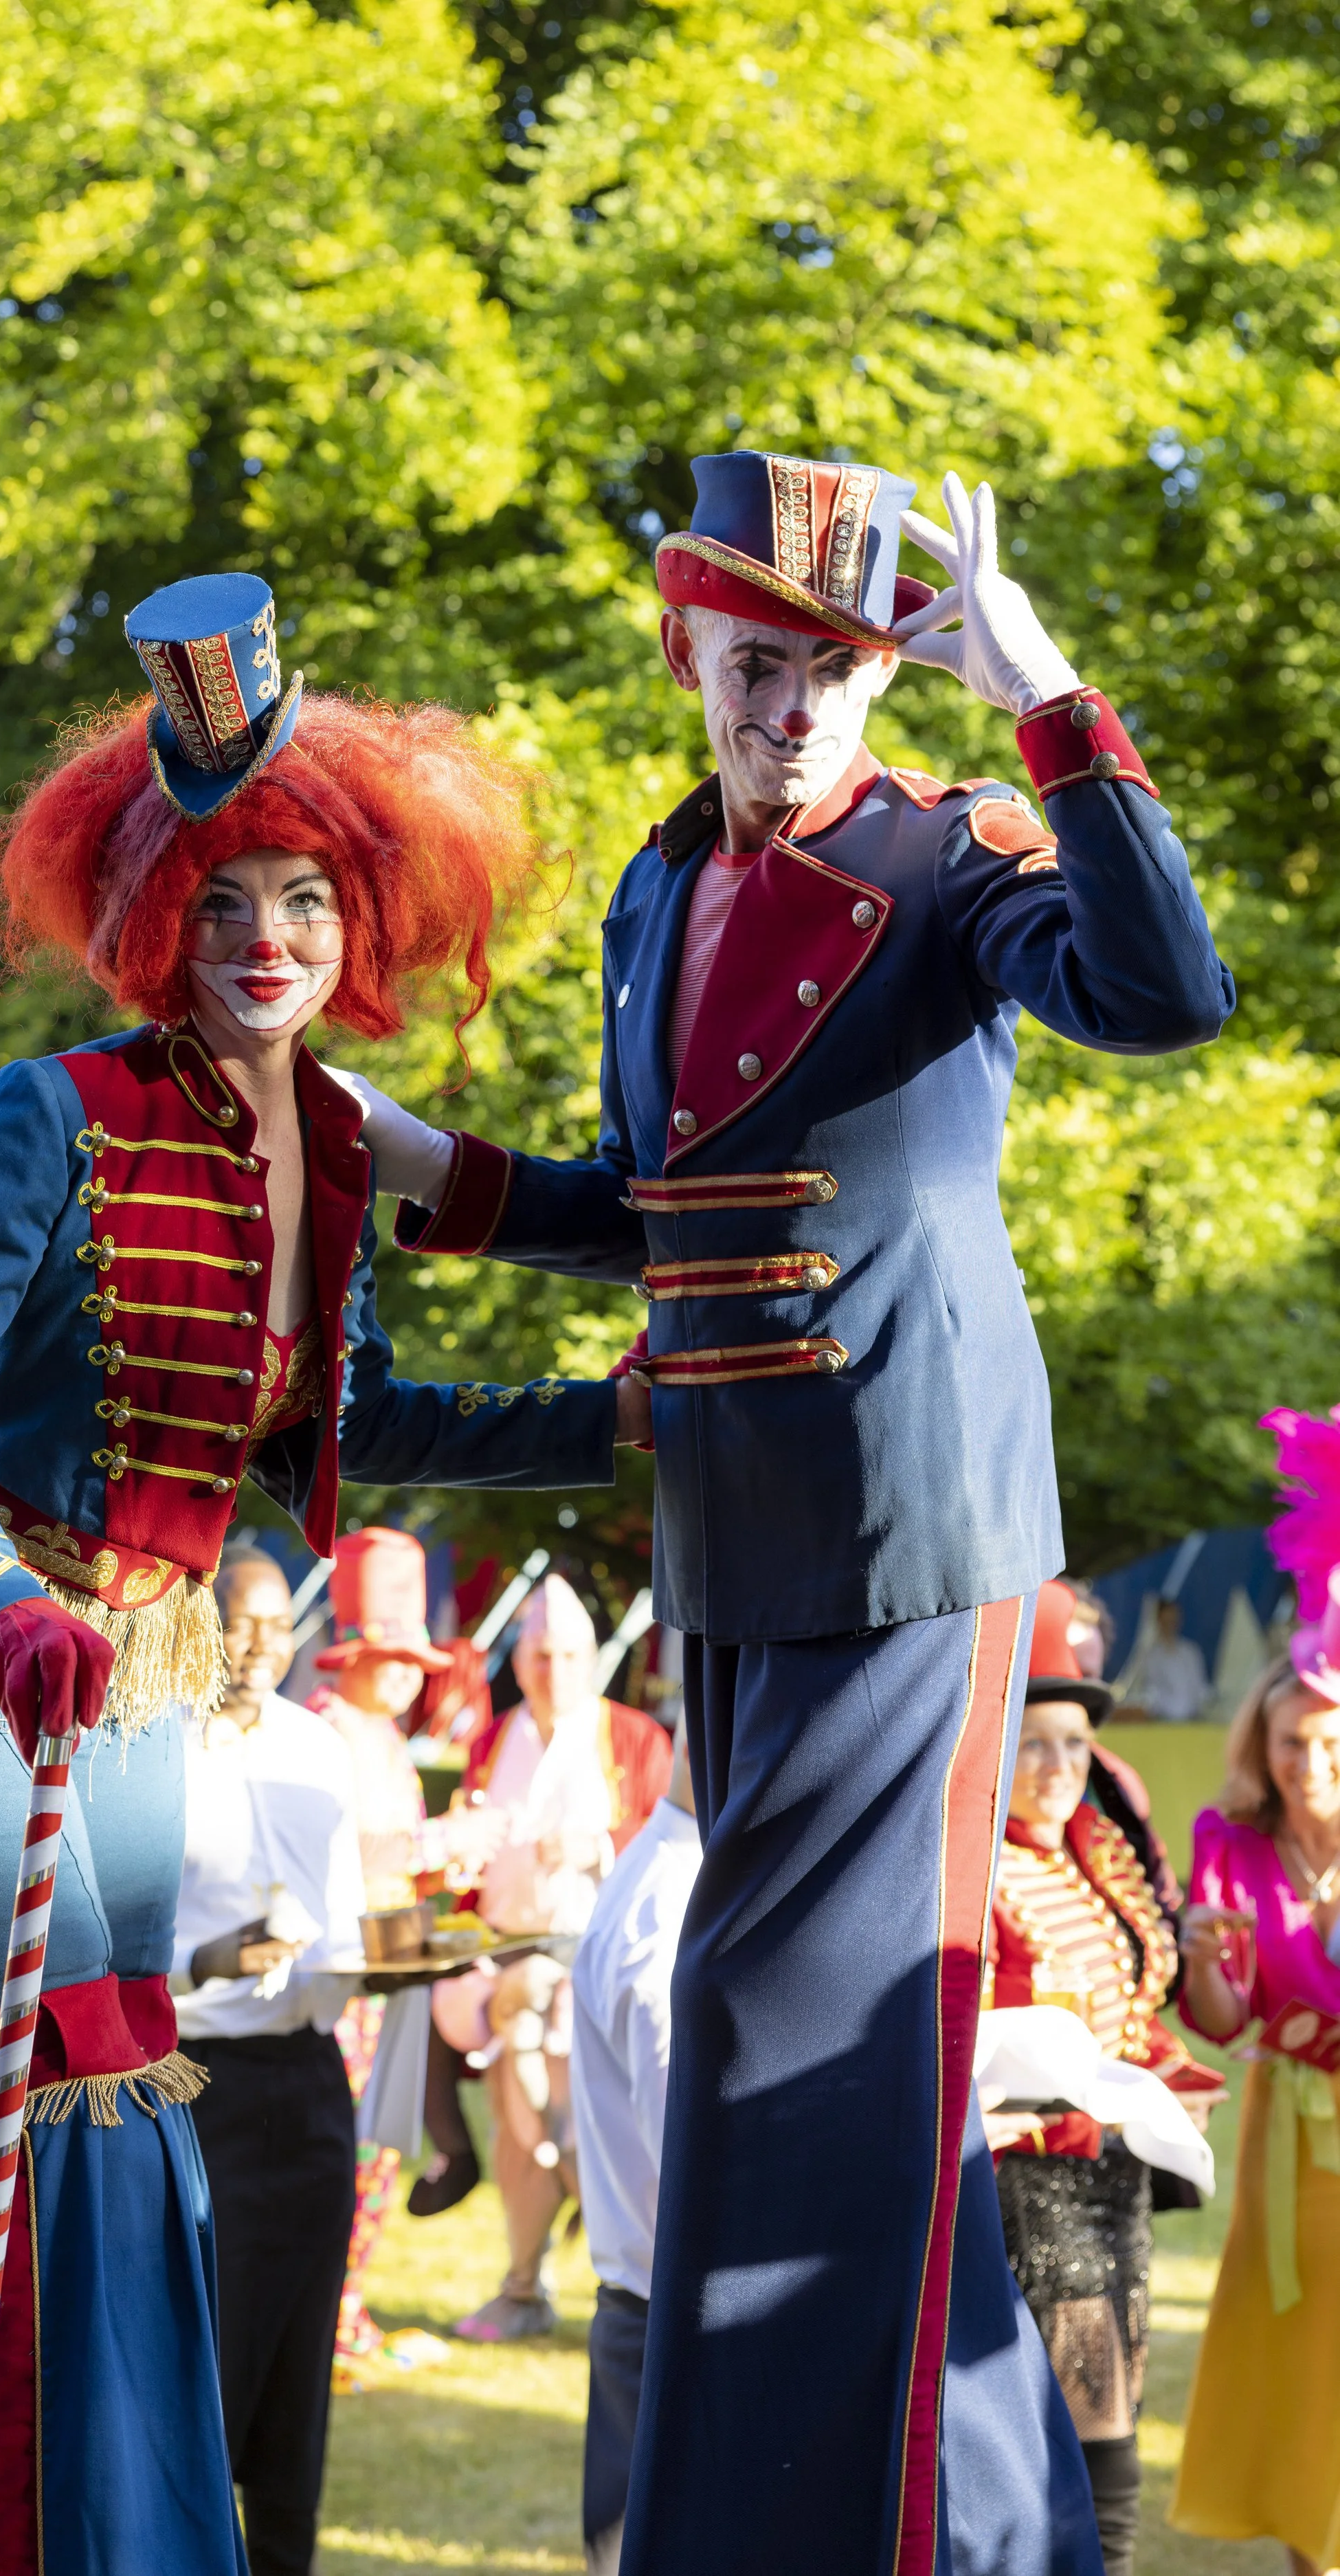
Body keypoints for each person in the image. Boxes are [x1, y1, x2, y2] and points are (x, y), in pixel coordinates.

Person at [350, 455, 1234, 2574]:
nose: (795, 709)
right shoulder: (657, 887)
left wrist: (1045, 696)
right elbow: (657, 1213)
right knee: (814, 2075)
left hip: (906, 1534)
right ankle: (987, 2535)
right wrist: (414, 1163)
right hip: (720, 1538)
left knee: (795, 2051)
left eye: (834, 669)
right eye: (757, 666)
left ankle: (762, 2538)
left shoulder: (951, 855)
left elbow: (1162, 993)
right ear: (688, 654)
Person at [0, 573, 632, 2576]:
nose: (265, 938)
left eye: (305, 899)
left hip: (148, 1664)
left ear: (356, 923)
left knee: (135, 2106)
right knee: (53, 2100)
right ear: (152, 921)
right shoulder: (55, 1118)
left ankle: (134, 2539)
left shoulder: (340, 1144)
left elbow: (361, 1412)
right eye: (223, 898)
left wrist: (616, 1419)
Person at [983, 1582, 1220, 2576]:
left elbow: (1131, 2015)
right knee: (1079, 2445)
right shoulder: (974, 1868)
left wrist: (1167, 2077)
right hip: (1024, 2182)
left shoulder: (1095, 1853)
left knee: (1099, 2441)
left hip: (1112, 2182)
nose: (1057, 1767)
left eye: (1075, 1746)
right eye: (1035, 1742)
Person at [1170, 1399, 1340, 2576]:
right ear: (1259, 1743)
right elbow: (1224, 2025)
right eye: (1290, 1742)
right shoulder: (1227, 1846)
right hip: (1290, 2140)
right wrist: (1198, 1953)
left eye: (1330, 1741)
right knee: (1293, 2365)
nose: (1309, 1762)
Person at [175, 1547, 366, 2576]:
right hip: (207, 2088)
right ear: (203, 1626)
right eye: (241, 1623)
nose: (261, 1645)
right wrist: (205, 1958)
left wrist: (386, 1962)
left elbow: (345, 1918)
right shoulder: (155, 1749)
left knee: (300, 2385)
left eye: (276, 1626)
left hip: (312, 2081)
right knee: (217, 2370)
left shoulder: (319, 1747)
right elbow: (113, 1937)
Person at [433, 1573, 672, 2338]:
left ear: (593, 1658)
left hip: (596, 1965)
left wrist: (596, 1845)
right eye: (541, 1653)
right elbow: (470, 1855)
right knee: (521, 2131)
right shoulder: (494, 1737)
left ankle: (618, 2286)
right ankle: (527, 2281)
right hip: (509, 1959)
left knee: (586, 2127)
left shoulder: (634, 1737)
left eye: (570, 1654)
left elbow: (670, 1846)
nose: (554, 1670)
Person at [313, 1524, 466, 2363]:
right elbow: (343, 1854)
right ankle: (330, 2318)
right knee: (350, 2143)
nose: (411, 1676)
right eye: (397, 1656)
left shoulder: (375, 1734)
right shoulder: (330, 1730)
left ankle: (346, 2307)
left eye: (419, 1661)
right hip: (345, 1974)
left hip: (387, 1965)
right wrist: (440, 1844)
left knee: (376, 2144)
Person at [570, 1716, 702, 2576]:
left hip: (659, 2310)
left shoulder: (686, 1876)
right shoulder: (666, 1907)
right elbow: (689, 2151)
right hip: (667, 2321)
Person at [1133, 1597, 1209, 1724]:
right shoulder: (1151, 1656)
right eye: (1166, 1619)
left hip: (1192, 1718)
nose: (1170, 1623)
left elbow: (1199, 1687)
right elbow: (1151, 1689)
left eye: (1173, 1619)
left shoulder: (1190, 1651)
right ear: (1159, 1620)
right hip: (1162, 1719)